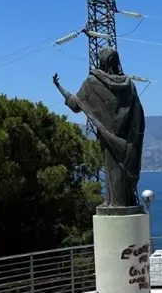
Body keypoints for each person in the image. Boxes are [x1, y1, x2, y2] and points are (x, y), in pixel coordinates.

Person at [53, 47, 145, 210]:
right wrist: (134, 140)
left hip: (108, 139)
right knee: (123, 174)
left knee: (112, 171)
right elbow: (138, 114)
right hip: (128, 142)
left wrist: (59, 87)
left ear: (102, 61)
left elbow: (75, 105)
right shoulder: (128, 84)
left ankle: (114, 202)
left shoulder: (92, 82)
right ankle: (126, 201)